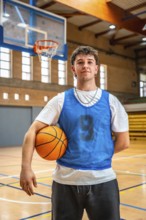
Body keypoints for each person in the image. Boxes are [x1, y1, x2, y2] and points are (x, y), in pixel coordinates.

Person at [20, 46, 130, 220]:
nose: (85, 65)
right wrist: (26, 168)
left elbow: (124, 141)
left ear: (96, 69)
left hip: (103, 179)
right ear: (73, 69)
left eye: (89, 62)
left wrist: (97, 153)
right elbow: (31, 132)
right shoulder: (60, 100)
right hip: (65, 182)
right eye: (80, 62)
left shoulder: (111, 101)